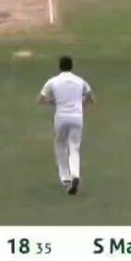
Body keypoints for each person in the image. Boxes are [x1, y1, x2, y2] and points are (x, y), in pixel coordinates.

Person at [39, 55, 94, 195]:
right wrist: (80, 103)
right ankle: (75, 174)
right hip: (77, 117)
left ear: (60, 66)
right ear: (71, 66)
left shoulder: (53, 81)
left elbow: (41, 99)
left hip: (61, 118)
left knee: (60, 144)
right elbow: (90, 98)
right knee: (74, 147)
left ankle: (65, 178)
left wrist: (54, 102)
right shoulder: (80, 81)